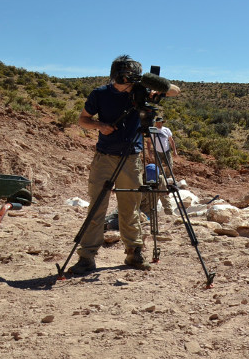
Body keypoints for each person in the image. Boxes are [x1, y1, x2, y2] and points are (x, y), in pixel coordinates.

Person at [68, 55, 181, 275]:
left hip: (131, 158)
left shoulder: (141, 91)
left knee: (130, 208)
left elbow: (175, 91)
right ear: (115, 75)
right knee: (97, 206)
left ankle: (134, 252)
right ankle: (86, 257)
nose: (126, 83)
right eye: (124, 77)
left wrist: (151, 82)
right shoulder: (99, 94)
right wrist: (99, 125)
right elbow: (83, 119)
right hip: (104, 157)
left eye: (131, 78)